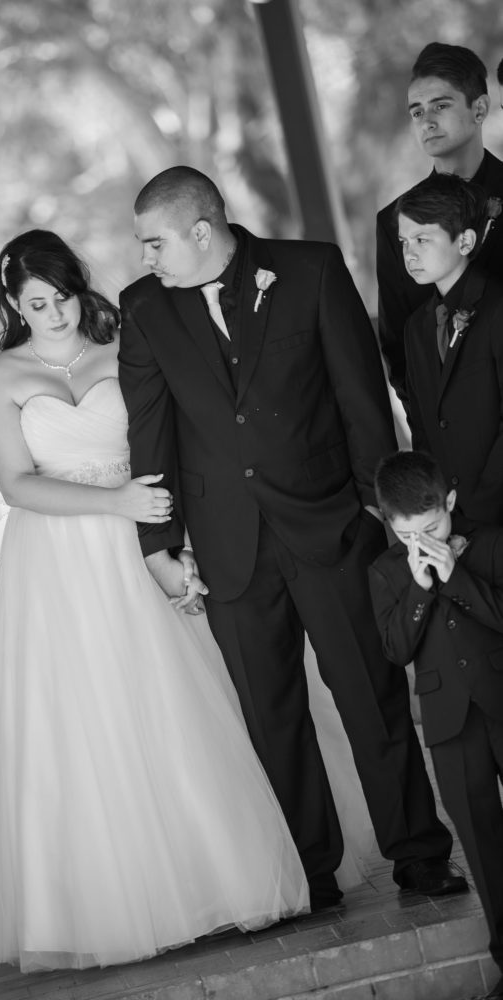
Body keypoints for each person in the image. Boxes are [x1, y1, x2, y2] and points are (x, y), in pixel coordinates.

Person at [0, 228, 323, 973]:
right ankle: (113, 902)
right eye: (34, 304)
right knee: (87, 716)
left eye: (59, 299)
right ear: (12, 305)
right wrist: (114, 500)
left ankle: (222, 878)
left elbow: (171, 432)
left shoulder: (122, 340)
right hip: (58, 556)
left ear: (75, 288)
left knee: (177, 698)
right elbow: (17, 483)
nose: (52, 316)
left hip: (143, 537)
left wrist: (159, 524)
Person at [118, 164, 467, 913]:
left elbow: (361, 398)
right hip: (226, 544)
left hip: (331, 527)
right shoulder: (143, 308)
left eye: (154, 243)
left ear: (201, 231)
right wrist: (159, 543)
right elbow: (149, 433)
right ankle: (311, 872)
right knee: (270, 714)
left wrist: (382, 514)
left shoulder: (308, 269)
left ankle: (419, 854)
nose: (145, 258)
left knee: (371, 697)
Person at [369, 450, 503, 1000]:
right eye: (406, 535)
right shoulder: (384, 572)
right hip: (451, 723)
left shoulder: (491, 542)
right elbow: (395, 649)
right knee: (483, 850)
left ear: (449, 503)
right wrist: (422, 588)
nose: (420, 541)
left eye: (431, 528)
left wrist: (456, 577)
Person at [376, 42, 503, 408]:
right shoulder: (392, 220)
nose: (426, 121)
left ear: (479, 108)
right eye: (416, 112)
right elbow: (397, 344)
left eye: (441, 106)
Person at [397, 172, 503, 526]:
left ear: (465, 241)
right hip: (452, 517)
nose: (409, 253)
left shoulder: (498, 308)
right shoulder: (416, 328)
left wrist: (481, 506)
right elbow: (423, 426)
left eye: (422, 239)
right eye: (403, 241)